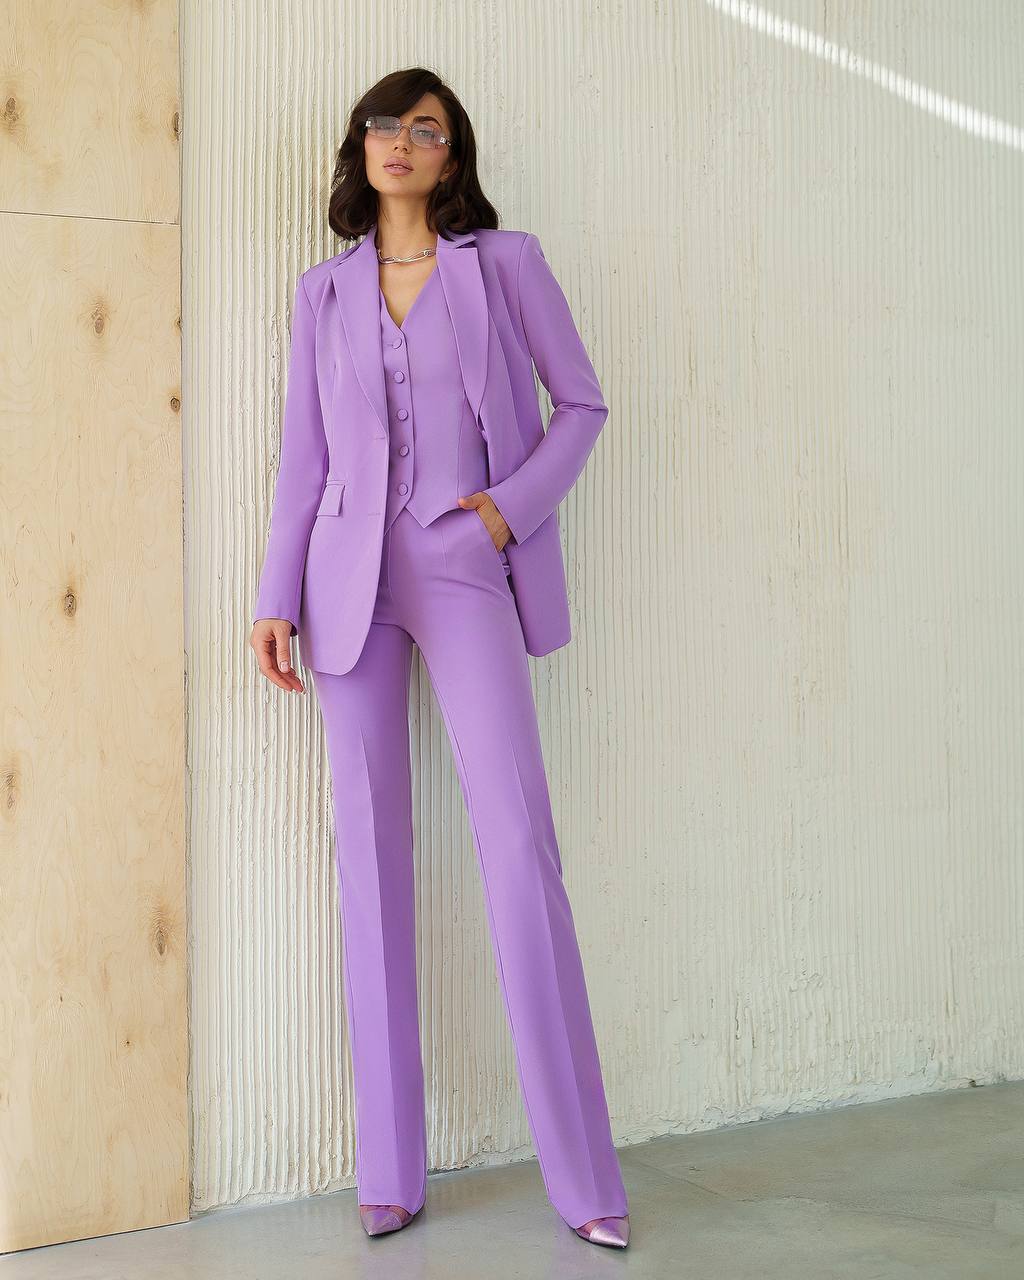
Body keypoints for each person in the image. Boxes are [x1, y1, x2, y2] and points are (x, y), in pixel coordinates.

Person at [250, 67, 629, 1250]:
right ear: (358, 148)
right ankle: (390, 1168)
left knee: (517, 846)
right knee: (368, 862)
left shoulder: (502, 265)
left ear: (452, 154)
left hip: (462, 563)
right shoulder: (320, 294)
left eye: (425, 128)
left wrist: (507, 511)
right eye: (383, 125)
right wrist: (273, 597)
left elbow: (581, 404)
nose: (399, 142)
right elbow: (303, 464)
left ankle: (584, 1179)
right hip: (342, 585)